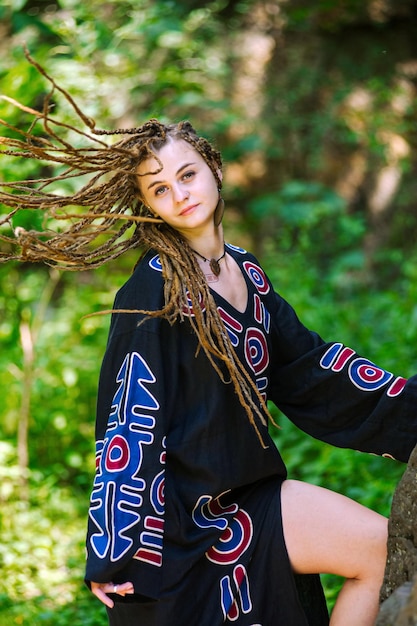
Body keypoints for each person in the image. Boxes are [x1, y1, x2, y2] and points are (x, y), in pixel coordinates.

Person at [1, 54, 417, 626]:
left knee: (375, 546)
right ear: (148, 207)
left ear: (214, 170)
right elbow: (127, 419)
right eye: (159, 188)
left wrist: (409, 408)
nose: (179, 194)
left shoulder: (246, 273)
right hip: (182, 524)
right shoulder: (154, 291)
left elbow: (312, 368)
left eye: (187, 174)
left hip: (250, 495)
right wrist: (112, 549)